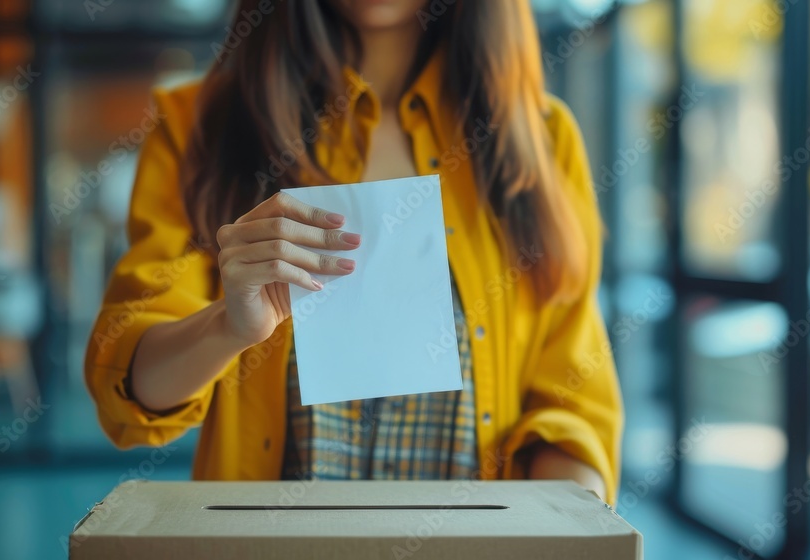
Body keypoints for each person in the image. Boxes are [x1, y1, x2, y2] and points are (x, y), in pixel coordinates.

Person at [85, 0, 623, 504]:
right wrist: (229, 325)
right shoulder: (200, 125)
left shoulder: (541, 141)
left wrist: (573, 531)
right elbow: (131, 386)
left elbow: (571, 410)